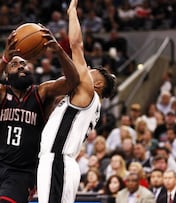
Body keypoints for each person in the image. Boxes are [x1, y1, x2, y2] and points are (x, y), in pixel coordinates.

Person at [0, 23, 81, 203]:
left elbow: (73, 81)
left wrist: (59, 50)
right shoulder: (0, 93)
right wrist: (4, 60)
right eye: (15, 65)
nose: (21, 66)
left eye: (24, 63)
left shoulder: (42, 92)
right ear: (7, 75)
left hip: (22, 172)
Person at [36, 0, 117, 202]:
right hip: (58, 161)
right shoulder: (85, 101)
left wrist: (72, 12)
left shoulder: (87, 91)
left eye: (91, 72)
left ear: (97, 84)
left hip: (58, 161)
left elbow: (76, 46)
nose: (86, 70)